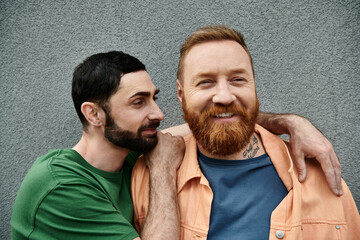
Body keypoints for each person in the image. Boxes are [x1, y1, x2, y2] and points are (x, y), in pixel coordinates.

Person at [11, 49, 344, 239]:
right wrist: (162, 171)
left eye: (155, 98)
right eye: (139, 102)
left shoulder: (129, 151)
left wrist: (291, 123)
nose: (158, 112)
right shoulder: (61, 186)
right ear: (94, 114)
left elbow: (212, 116)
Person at [131, 26, 360, 239]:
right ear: (181, 95)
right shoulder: (146, 176)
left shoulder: (319, 175)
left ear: (254, 86)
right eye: (206, 82)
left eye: (238, 80)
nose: (225, 96)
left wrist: (294, 122)